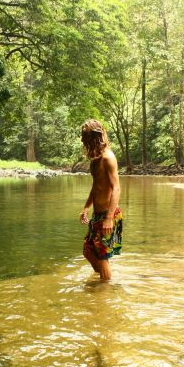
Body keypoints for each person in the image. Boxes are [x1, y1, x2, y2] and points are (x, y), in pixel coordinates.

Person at [79, 119, 122, 281]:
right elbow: (96, 186)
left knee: (102, 257)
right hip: (98, 216)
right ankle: (105, 279)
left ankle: (104, 294)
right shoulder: (95, 159)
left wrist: (109, 218)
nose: (82, 140)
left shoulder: (108, 158)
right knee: (88, 250)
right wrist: (86, 208)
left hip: (108, 215)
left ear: (94, 137)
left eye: (85, 137)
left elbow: (116, 188)